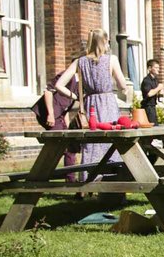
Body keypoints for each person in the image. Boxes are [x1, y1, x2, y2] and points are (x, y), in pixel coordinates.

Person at [55, 29, 128, 168]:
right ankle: (113, 177)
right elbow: (122, 85)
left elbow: (59, 85)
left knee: (91, 144)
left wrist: (76, 97)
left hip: (90, 106)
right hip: (108, 104)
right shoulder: (111, 59)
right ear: (105, 41)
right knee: (112, 140)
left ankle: (88, 178)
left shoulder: (80, 62)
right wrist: (121, 88)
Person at [140, 59, 164, 125]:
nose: (158, 69)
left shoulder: (155, 80)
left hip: (153, 106)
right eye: (156, 67)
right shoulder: (146, 80)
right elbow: (149, 94)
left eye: (158, 68)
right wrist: (158, 88)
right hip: (147, 107)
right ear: (150, 68)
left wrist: (160, 92)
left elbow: (157, 92)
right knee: (152, 126)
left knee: (156, 125)